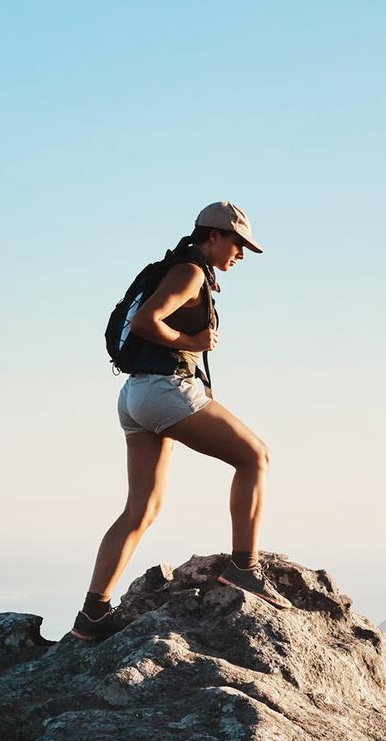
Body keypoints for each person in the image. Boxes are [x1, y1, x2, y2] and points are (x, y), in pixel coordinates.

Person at [69, 200, 290, 643]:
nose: (241, 254)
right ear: (213, 235)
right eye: (237, 243)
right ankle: (244, 569)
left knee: (142, 508)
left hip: (135, 395)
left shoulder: (175, 267)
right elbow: (147, 321)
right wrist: (192, 339)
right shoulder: (189, 273)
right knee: (255, 457)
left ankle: (92, 615)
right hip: (164, 390)